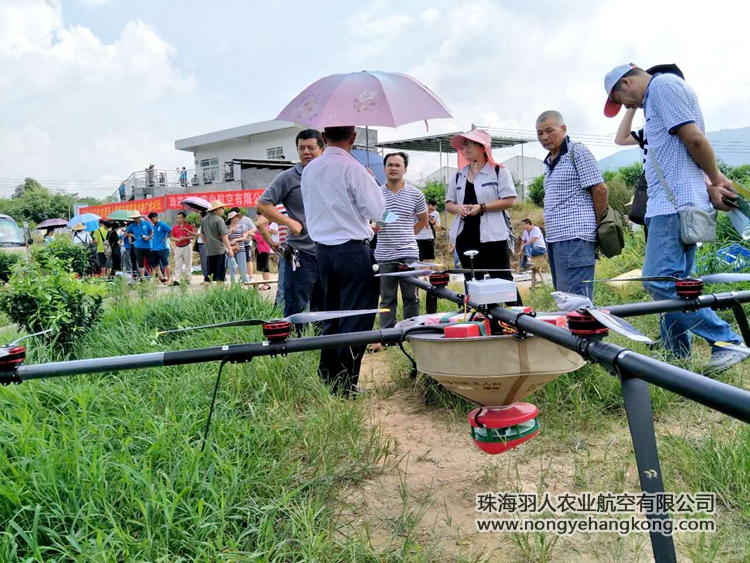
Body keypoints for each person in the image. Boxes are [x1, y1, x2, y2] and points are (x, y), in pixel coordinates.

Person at [603, 63, 746, 371]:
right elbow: (681, 155)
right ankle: (675, 355)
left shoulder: (663, 87)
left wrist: (716, 178)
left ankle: (727, 341)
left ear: (626, 83)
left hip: (672, 208)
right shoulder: (655, 98)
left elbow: (694, 139)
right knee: (681, 285)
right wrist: (710, 188)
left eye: (621, 100)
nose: (627, 106)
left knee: (659, 282)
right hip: (679, 204)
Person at [301, 125, 385, 397]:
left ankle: (327, 377)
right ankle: (345, 385)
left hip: (322, 252)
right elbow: (375, 210)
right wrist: (371, 183)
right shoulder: (354, 168)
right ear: (353, 138)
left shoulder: (310, 169)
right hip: (352, 251)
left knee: (331, 316)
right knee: (356, 317)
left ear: (323, 138)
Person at [536, 110, 608, 298]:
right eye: (540, 133)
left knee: (577, 302)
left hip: (575, 236)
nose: (545, 137)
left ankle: (587, 328)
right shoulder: (550, 161)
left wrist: (598, 225)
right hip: (556, 239)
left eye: (549, 130)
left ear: (563, 129)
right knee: (565, 298)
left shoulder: (577, 151)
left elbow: (600, 190)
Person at [445, 128, 521, 304]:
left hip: (493, 236)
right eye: (464, 145)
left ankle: (519, 321)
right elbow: (448, 204)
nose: (466, 148)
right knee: (473, 282)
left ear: (482, 147)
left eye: (470, 143)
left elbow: (510, 200)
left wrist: (482, 207)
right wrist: (458, 208)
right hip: (466, 236)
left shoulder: (498, 171)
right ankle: (485, 321)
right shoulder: (459, 175)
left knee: (502, 279)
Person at [257, 129, 326, 317]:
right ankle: (296, 343)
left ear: (322, 149)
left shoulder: (330, 175)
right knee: (296, 303)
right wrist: (289, 222)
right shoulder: (288, 177)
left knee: (325, 304)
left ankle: (322, 343)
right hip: (300, 252)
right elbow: (263, 204)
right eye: (301, 148)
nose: (306, 152)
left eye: (311, 148)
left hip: (328, 250)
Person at [374, 152, 428, 331]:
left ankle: (411, 331)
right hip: (384, 254)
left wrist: (408, 235)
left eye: (398, 165)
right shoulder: (376, 194)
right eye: (390, 164)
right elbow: (372, 222)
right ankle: (387, 334)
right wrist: (376, 225)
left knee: (411, 296)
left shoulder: (415, 194)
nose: (393, 168)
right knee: (387, 297)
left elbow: (423, 220)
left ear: (405, 169)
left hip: (408, 253)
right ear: (384, 168)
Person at [200, 200, 234, 285]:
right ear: (217, 209)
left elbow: (202, 234)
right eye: (222, 208)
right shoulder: (219, 220)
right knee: (220, 275)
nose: (223, 210)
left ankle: (207, 294)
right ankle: (219, 294)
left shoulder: (204, 219)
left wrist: (206, 245)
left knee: (209, 275)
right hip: (220, 250)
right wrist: (229, 249)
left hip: (209, 251)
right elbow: (224, 236)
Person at [126, 214, 154, 280]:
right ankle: (142, 277)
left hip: (147, 245)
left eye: (136, 218)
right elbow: (126, 233)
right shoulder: (132, 225)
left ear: (139, 217)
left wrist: (149, 237)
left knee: (151, 261)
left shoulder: (146, 223)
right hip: (137, 246)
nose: (135, 219)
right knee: (140, 262)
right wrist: (132, 235)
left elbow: (152, 231)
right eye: (134, 218)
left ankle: (155, 276)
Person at [170, 211, 195, 285]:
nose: (178, 219)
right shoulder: (174, 227)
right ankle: (177, 280)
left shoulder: (188, 226)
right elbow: (172, 237)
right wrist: (177, 240)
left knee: (188, 263)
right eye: (177, 218)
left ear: (184, 218)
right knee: (178, 264)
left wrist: (185, 238)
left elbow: (193, 236)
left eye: (180, 217)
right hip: (178, 247)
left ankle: (187, 279)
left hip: (187, 246)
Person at [226, 211, 250, 286]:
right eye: (234, 217)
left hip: (241, 249)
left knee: (242, 267)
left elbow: (245, 237)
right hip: (230, 250)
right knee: (232, 268)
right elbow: (224, 239)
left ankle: (245, 283)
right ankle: (234, 285)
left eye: (237, 217)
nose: (236, 219)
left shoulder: (242, 226)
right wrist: (230, 232)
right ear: (230, 219)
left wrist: (236, 240)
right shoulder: (226, 228)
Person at [148, 212, 172, 283]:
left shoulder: (163, 224)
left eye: (153, 219)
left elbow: (171, 231)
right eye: (151, 220)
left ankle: (168, 279)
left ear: (157, 217)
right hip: (154, 248)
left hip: (162, 248)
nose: (152, 221)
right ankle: (161, 277)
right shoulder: (154, 226)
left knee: (166, 264)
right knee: (156, 264)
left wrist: (166, 237)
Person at [252, 217, 273, 291]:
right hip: (260, 248)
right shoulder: (260, 228)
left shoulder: (266, 227)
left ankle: (267, 284)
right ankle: (265, 283)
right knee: (262, 267)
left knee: (265, 267)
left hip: (264, 248)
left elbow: (263, 238)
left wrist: (253, 235)